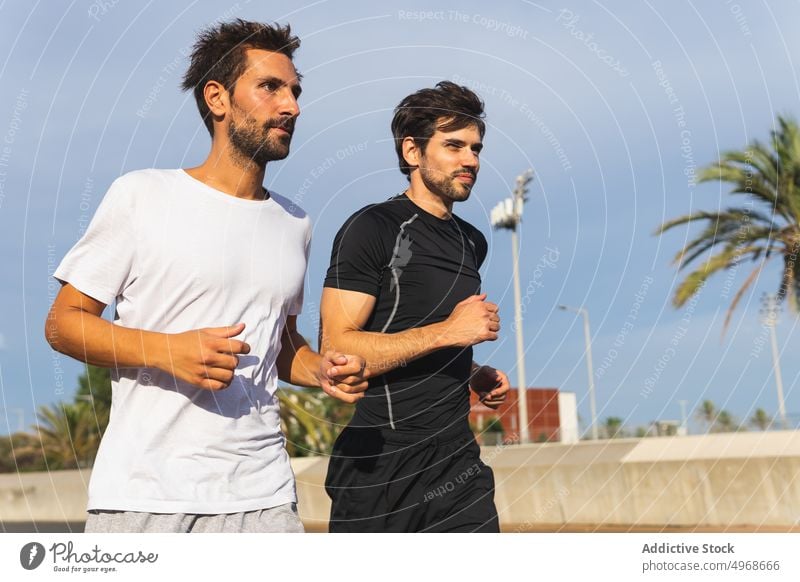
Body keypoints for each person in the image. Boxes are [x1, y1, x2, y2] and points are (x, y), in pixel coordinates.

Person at [45, 19, 367, 533]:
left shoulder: (295, 223)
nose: (292, 106)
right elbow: (63, 324)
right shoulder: (142, 196)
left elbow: (279, 344)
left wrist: (319, 370)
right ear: (217, 98)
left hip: (265, 497)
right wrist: (168, 351)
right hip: (146, 495)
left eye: (295, 90)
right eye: (270, 87)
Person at [320, 81, 510, 532]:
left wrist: (469, 369)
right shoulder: (373, 228)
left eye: (476, 148)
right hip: (381, 467)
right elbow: (338, 348)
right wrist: (451, 333)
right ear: (412, 152)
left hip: (457, 464)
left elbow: (415, 329)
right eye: (454, 146)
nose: (471, 161)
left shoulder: (472, 241)